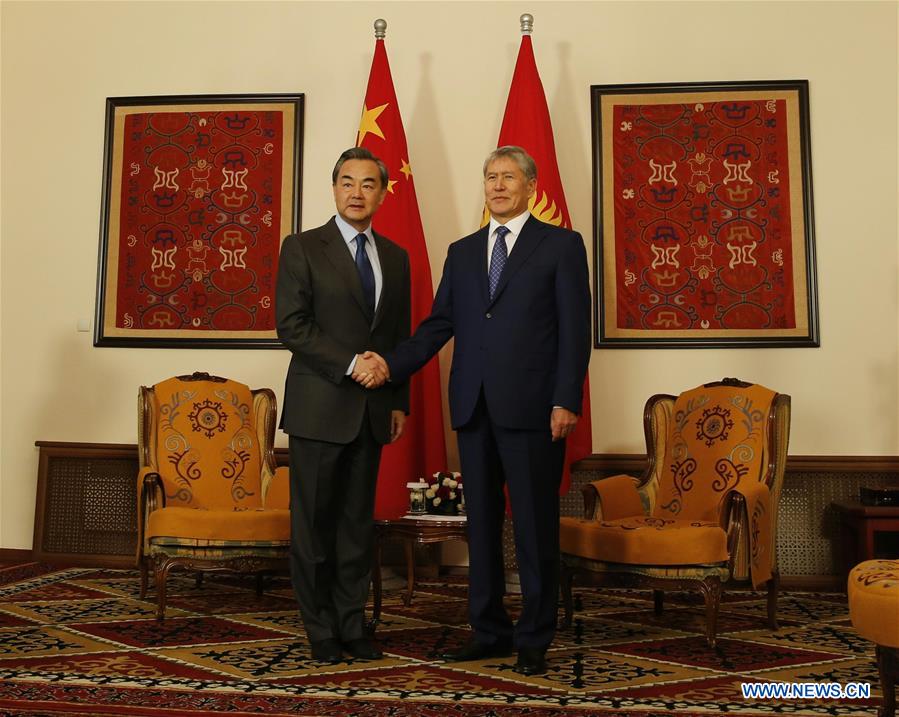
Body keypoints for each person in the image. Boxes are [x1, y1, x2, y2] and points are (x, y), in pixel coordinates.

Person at [355, 146, 591, 675]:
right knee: (480, 528)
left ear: (530, 186)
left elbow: (575, 332)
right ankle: (489, 631)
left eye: (508, 177)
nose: (498, 186)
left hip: (535, 410)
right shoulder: (462, 252)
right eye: (490, 177)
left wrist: (565, 399)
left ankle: (534, 636)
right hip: (473, 407)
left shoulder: (561, 246)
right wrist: (390, 364)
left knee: (533, 528)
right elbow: (439, 326)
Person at [276, 147, 410, 663]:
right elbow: (293, 326)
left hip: (374, 411)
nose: (357, 193)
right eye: (348, 183)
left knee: (356, 527)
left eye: (369, 184)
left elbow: (397, 334)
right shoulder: (303, 247)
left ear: (381, 192)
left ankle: (353, 624)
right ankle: (321, 629)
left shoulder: (395, 256)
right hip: (319, 407)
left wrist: (397, 400)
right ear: (334, 189)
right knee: (313, 527)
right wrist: (353, 362)